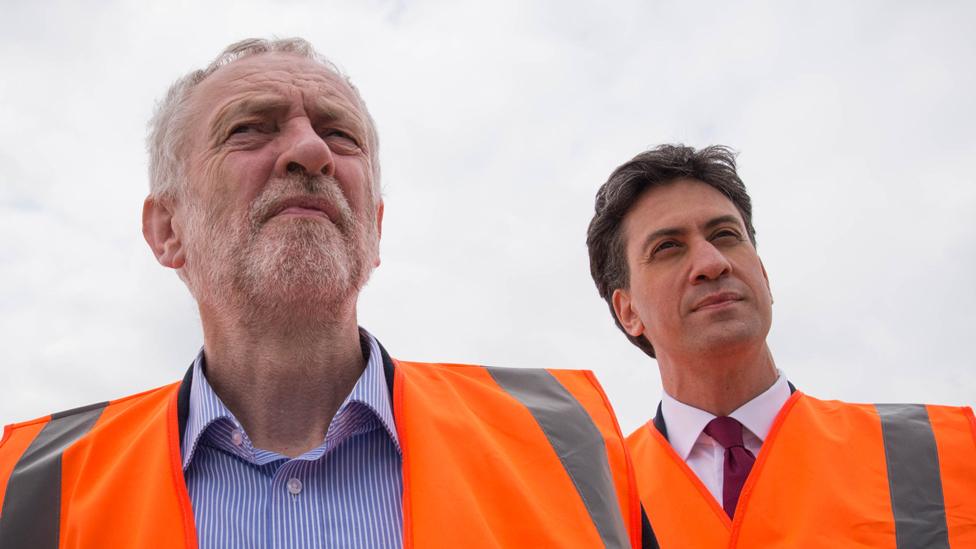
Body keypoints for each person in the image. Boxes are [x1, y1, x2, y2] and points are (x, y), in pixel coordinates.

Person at [0, 38, 642, 549]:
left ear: (375, 228)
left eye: (340, 134)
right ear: (169, 231)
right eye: (250, 128)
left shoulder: (565, 441)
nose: (311, 151)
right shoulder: (28, 488)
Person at [586, 144, 976, 548]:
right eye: (668, 247)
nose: (712, 262)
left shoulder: (940, 455)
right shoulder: (594, 505)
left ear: (765, 276)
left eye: (725, 235)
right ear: (628, 310)